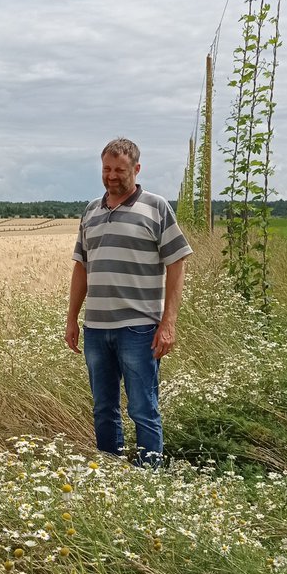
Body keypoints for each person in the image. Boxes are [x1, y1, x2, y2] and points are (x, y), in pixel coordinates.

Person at [65, 138, 192, 468]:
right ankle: (111, 474)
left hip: (139, 328)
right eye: (106, 169)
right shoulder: (91, 211)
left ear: (136, 169)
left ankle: (149, 477)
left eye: (119, 170)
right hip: (96, 328)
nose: (111, 176)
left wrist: (168, 323)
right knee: (103, 408)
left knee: (142, 408)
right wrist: (72, 318)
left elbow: (176, 263)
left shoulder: (156, 207)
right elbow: (81, 267)